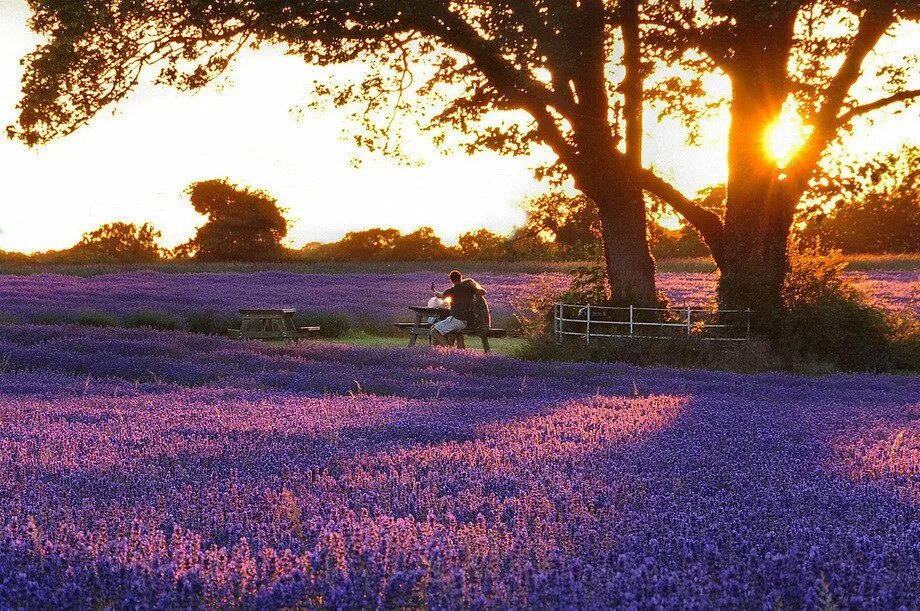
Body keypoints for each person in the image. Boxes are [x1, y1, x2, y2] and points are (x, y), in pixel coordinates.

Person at [430, 270, 486, 347]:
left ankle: (450, 349)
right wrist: (474, 289)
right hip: (464, 321)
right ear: (461, 277)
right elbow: (484, 292)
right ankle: (436, 349)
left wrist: (434, 290)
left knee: (434, 332)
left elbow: (439, 295)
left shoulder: (451, 290)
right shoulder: (468, 289)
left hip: (457, 320)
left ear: (451, 280)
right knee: (434, 326)